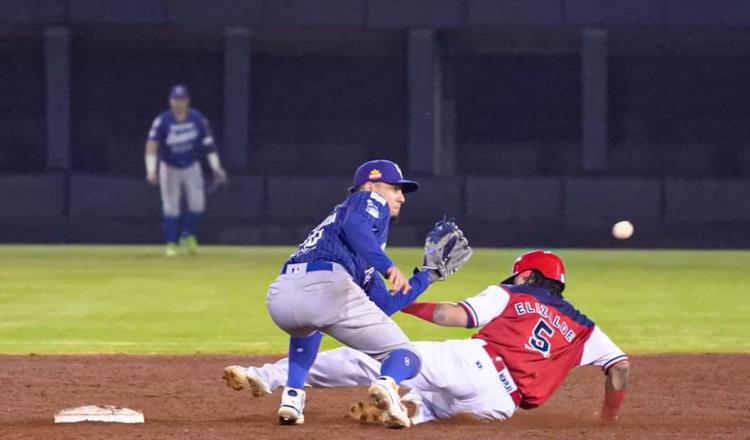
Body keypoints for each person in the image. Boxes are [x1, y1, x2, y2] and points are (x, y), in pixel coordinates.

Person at [224, 250, 631, 427]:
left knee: (372, 357)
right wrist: (607, 420)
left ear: (526, 275)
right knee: (435, 403)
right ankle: (406, 412)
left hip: (475, 364)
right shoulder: (585, 328)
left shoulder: (512, 293)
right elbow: (620, 371)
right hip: (502, 405)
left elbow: (452, 315)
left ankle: (270, 376)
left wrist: (402, 305)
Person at [261, 159, 427, 428]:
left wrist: (426, 277)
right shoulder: (365, 200)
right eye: (395, 188)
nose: (401, 197)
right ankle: (387, 386)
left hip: (282, 297)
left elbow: (382, 305)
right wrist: (388, 266)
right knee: (406, 356)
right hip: (326, 286)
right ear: (371, 185)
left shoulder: (352, 240)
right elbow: (356, 226)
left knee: (311, 325)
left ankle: (292, 396)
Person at [144, 85, 228, 257]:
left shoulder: (197, 119)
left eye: (182, 100)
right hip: (169, 166)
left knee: (198, 204)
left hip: (191, 165)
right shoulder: (163, 121)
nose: (179, 103)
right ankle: (171, 243)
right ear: (170, 101)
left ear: (187, 101)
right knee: (171, 207)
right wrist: (151, 169)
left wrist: (215, 166)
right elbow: (152, 145)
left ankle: (188, 234)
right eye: (176, 99)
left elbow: (208, 143)